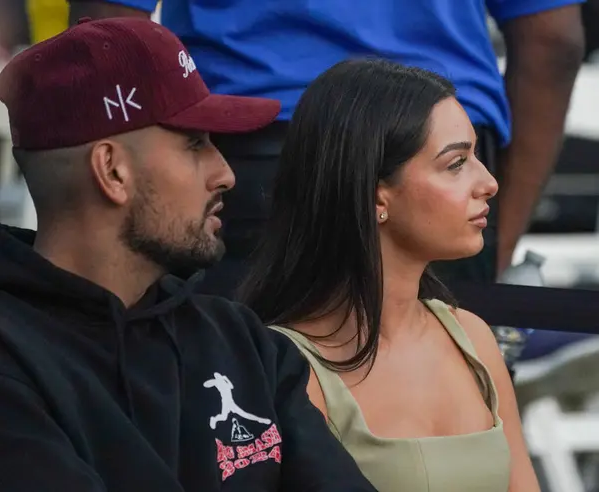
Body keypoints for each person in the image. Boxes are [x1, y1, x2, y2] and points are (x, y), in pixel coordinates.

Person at [0, 18, 377, 492]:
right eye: (195, 143)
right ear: (113, 171)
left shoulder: (244, 342)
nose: (225, 174)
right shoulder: (13, 359)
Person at [67, 0, 585, 299]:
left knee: (233, 431)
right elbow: (553, 40)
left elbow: (107, 42)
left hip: (250, 149)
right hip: (440, 152)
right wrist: (496, 243)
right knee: (445, 422)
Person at [239, 59, 540, 491]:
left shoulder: (472, 336)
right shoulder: (288, 365)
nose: (489, 182)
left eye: (476, 156)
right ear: (376, 193)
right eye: (456, 163)